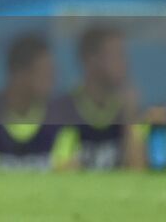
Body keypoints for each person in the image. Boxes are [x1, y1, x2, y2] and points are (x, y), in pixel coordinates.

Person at [0, 34, 79, 172]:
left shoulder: (59, 120)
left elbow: (67, 174)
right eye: (44, 72)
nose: (52, 79)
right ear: (19, 74)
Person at [53, 25, 143, 171]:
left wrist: (130, 117)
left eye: (124, 56)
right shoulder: (64, 108)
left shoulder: (125, 107)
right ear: (91, 60)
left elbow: (139, 170)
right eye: (116, 56)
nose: (124, 63)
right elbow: (57, 167)